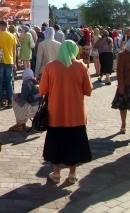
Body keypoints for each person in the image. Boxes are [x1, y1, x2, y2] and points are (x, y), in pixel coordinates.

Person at [39, 40, 93, 184]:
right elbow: (88, 91)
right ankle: (72, 174)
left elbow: (42, 89)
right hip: (76, 114)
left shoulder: (50, 67)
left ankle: (56, 174)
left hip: (56, 113)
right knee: (74, 144)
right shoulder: (81, 66)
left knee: (56, 143)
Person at [0, 20, 17, 109]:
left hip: (0, 61)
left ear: (0, 26)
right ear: (7, 26)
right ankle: (10, 102)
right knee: (9, 82)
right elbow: (14, 51)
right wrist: (15, 62)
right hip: (9, 61)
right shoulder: (12, 36)